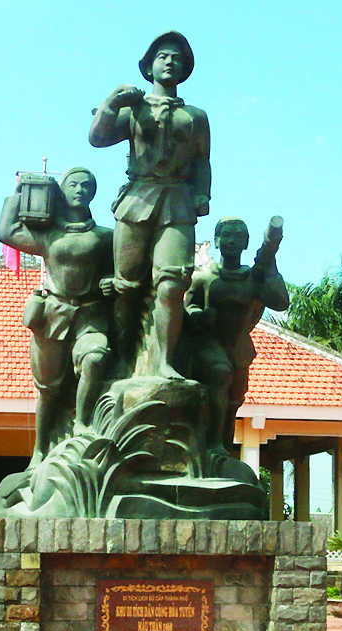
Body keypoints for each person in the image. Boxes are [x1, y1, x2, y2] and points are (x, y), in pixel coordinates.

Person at [89, 31, 210, 379]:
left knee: (172, 283)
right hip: (138, 199)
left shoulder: (196, 116)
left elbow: (203, 161)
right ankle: (123, 359)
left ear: (185, 67)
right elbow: (98, 138)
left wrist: (203, 194)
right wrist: (113, 102)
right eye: (162, 56)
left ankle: (166, 362)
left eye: (176, 57)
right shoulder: (135, 109)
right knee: (126, 286)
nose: (169, 61)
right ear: (149, 67)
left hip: (177, 202)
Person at [0, 167, 114, 460]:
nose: (80, 190)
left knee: (96, 357)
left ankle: (83, 422)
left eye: (87, 186)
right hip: (53, 316)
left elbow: (121, 270)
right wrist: (19, 193)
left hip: (90, 315)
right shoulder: (49, 235)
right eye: (73, 184)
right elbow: (7, 231)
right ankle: (40, 449)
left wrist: (110, 282)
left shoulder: (104, 238)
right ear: (61, 191)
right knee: (48, 389)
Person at [183, 215, 288, 450]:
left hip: (238, 347)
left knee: (233, 402)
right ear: (216, 241)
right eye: (226, 235)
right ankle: (212, 445)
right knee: (219, 375)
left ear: (247, 243)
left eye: (238, 236)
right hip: (208, 344)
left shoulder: (253, 278)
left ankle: (223, 447)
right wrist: (199, 316)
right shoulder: (203, 277)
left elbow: (281, 302)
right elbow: (188, 307)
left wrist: (270, 267)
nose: (232, 240)